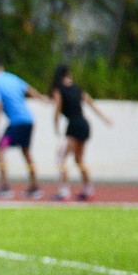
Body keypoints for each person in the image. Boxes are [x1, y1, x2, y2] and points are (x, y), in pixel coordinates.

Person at [0, 56, 50, 199]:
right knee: (26, 151)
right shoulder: (11, 77)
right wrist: (42, 98)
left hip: (17, 124)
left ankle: (4, 186)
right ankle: (34, 186)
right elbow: (28, 89)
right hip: (28, 121)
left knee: (0, 150)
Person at [49, 64, 112, 201]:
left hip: (74, 125)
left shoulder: (58, 89)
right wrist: (104, 118)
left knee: (61, 158)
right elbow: (90, 103)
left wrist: (55, 125)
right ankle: (88, 190)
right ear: (68, 74)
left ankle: (64, 191)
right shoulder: (77, 88)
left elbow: (58, 108)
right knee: (79, 160)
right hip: (84, 124)